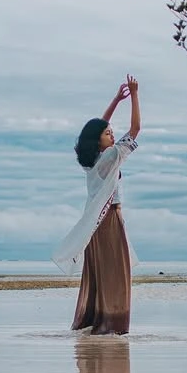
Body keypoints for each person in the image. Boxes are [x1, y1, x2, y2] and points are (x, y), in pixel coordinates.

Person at [52, 75, 141, 334]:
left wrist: (115, 101)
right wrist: (135, 95)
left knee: (101, 275)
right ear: (98, 140)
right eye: (107, 133)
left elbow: (96, 129)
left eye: (112, 132)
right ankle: (112, 325)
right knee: (116, 275)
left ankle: (96, 321)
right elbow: (135, 130)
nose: (112, 133)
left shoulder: (90, 161)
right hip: (108, 220)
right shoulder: (111, 157)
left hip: (95, 225)